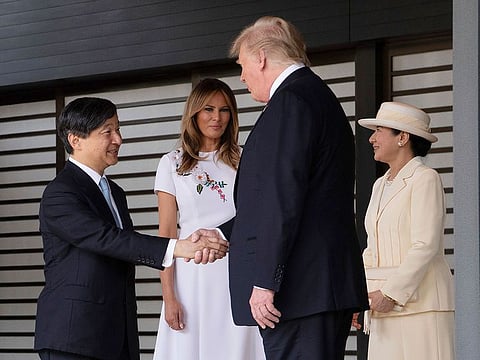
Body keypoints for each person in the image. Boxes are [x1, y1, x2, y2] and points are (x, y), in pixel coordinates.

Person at [34, 97, 228, 360]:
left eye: (118, 129)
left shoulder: (115, 192)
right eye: (107, 131)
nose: (118, 139)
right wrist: (180, 246)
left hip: (115, 335)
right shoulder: (60, 193)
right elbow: (108, 239)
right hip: (74, 336)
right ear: (75, 140)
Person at [222, 16, 369, 360]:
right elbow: (298, 198)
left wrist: (265, 282)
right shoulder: (315, 96)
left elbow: (281, 198)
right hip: (316, 287)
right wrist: (221, 233)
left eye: (242, 65)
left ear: (260, 57)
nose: (242, 76)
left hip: (300, 290)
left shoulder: (291, 103)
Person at [152, 78, 265, 359]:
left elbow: (259, 219)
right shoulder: (172, 163)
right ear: (194, 113)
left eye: (225, 110)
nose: (217, 117)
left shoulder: (246, 159)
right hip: (191, 278)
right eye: (209, 109)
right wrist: (169, 297)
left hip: (239, 272)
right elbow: (166, 235)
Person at [354, 101, 455, 359]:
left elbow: (426, 245)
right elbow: (372, 248)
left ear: (403, 137)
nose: (372, 139)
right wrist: (358, 298)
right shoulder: (380, 185)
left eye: (379, 131)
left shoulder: (425, 178)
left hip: (421, 306)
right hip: (380, 307)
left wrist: (391, 293)